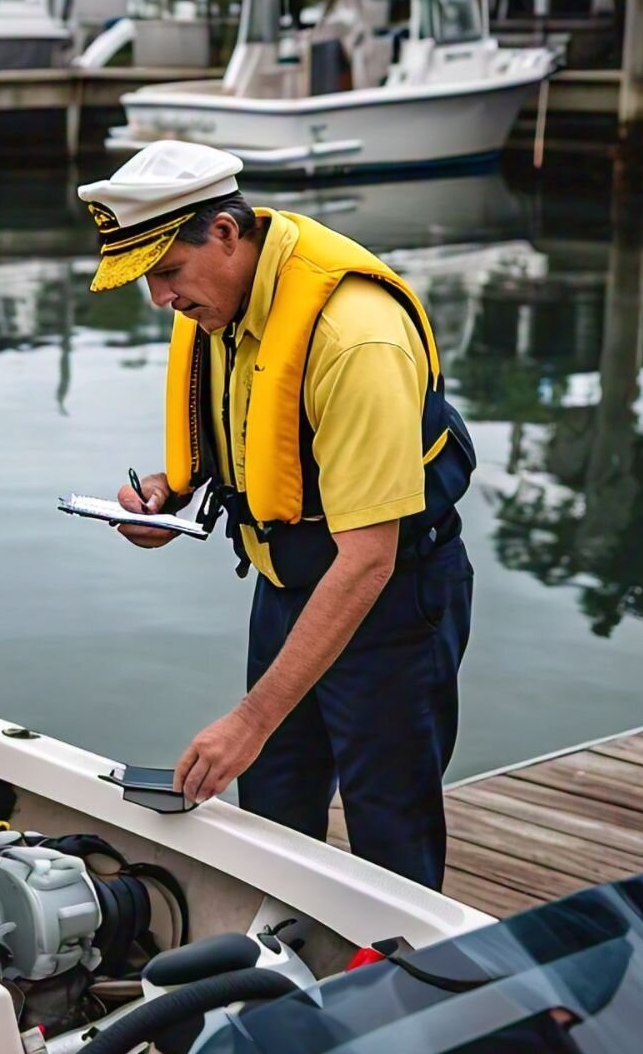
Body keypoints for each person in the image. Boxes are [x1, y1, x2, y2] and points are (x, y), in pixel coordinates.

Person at [77, 141, 475, 890]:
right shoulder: (223, 298)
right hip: (289, 586)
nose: (160, 299)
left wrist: (250, 721)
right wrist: (169, 493)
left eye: (165, 272)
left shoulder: (354, 336)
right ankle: (286, 979)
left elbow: (368, 559)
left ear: (226, 233)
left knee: (390, 826)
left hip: (390, 598)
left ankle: (404, 986)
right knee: (272, 815)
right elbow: (266, 444)